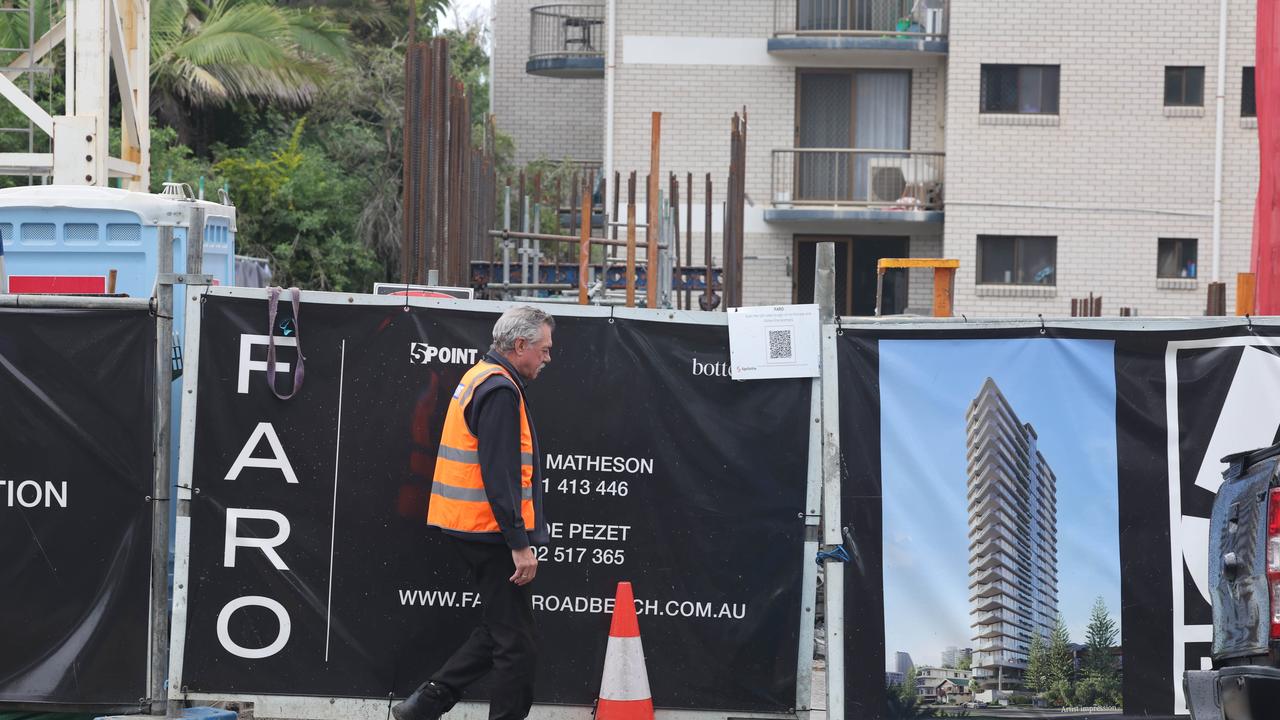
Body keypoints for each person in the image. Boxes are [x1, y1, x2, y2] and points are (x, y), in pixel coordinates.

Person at [394, 306, 554, 720]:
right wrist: (519, 543)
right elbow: (499, 475)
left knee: (504, 630)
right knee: (517, 647)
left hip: (472, 526)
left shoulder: (481, 375)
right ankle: (426, 705)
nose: (547, 358)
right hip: (489, 532)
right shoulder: (499, 389)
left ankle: (425, 705)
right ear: (521, 346)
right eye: (544, 349)